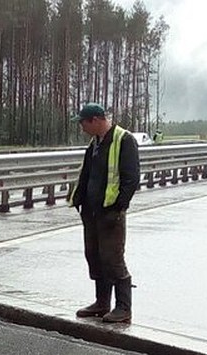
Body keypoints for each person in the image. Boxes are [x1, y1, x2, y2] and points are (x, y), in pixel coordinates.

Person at [69, 102, 141, 324]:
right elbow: (86, 175)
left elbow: (131, 178)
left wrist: (119, 206)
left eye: (83, 123)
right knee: (94, 256)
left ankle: (123, 307)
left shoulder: (123, 140)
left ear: (95, 120)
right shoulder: (95, 143)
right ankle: (102, 303)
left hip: (110, 212)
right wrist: (79, 200)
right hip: (92, 211)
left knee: (113, 259)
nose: (81, 128)